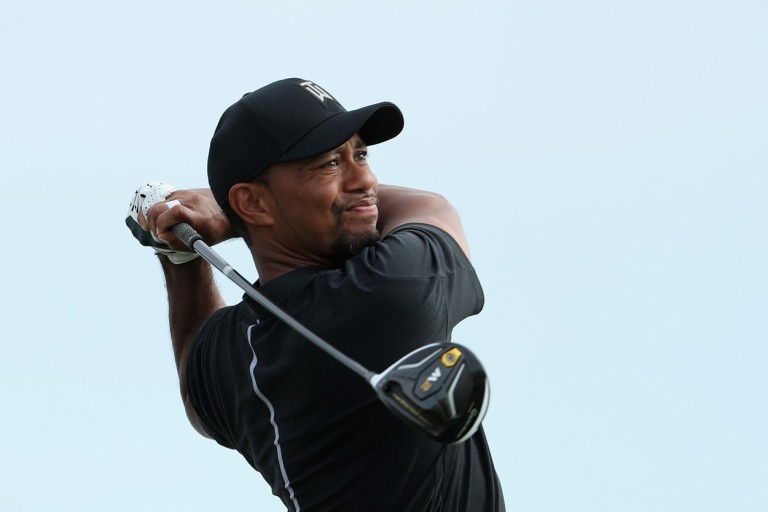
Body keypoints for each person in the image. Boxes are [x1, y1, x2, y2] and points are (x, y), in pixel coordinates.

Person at [127, 78, 505, 511]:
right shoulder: (389, 288)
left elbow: (197, 392)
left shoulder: (234, 355)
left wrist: (182, 258)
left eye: (360, 154)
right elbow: (432, 207)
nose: (365, 179)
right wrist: (224, 211)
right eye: (330, 163)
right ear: (253, 203)